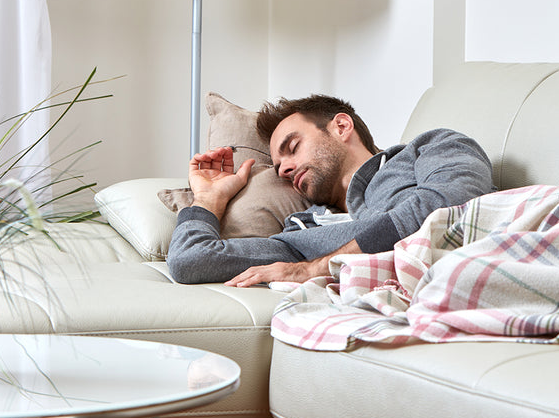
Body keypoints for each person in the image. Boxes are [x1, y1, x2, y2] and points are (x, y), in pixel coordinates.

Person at [167, 94, 496, 286]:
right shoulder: (303, 233)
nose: (282, 169)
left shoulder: (429, 148)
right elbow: (193, 261)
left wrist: (315, 269)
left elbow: (449, 210)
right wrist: (209, 198)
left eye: (293, 147)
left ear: (341, 126)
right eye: (278, 164)